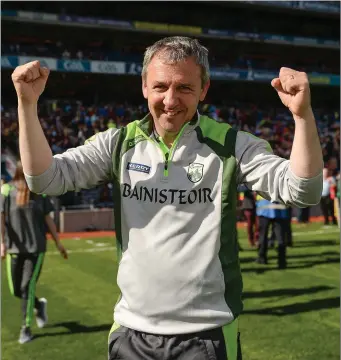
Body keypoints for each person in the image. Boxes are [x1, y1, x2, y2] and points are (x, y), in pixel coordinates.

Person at [11, 36, 323, 360]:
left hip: (206, 337)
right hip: (131, 335)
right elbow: (44, 178)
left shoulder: (232, 146)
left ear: (204, 90)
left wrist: (302, 117)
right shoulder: (117, 144)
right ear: (144, 86)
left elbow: (303, 190)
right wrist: (27, 105)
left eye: (185, 88)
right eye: (160, 87)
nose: (170, 100)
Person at [1, 161, 68, 344]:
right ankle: (39, 305)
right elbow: (2, 216)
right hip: (14, 248)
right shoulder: (6, 192)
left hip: (36, 248)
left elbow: (48, 220)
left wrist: (58, 243)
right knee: (15, 289)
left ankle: (26, 328)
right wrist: (2, 243)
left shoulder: (40, 194)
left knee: (26, 288)